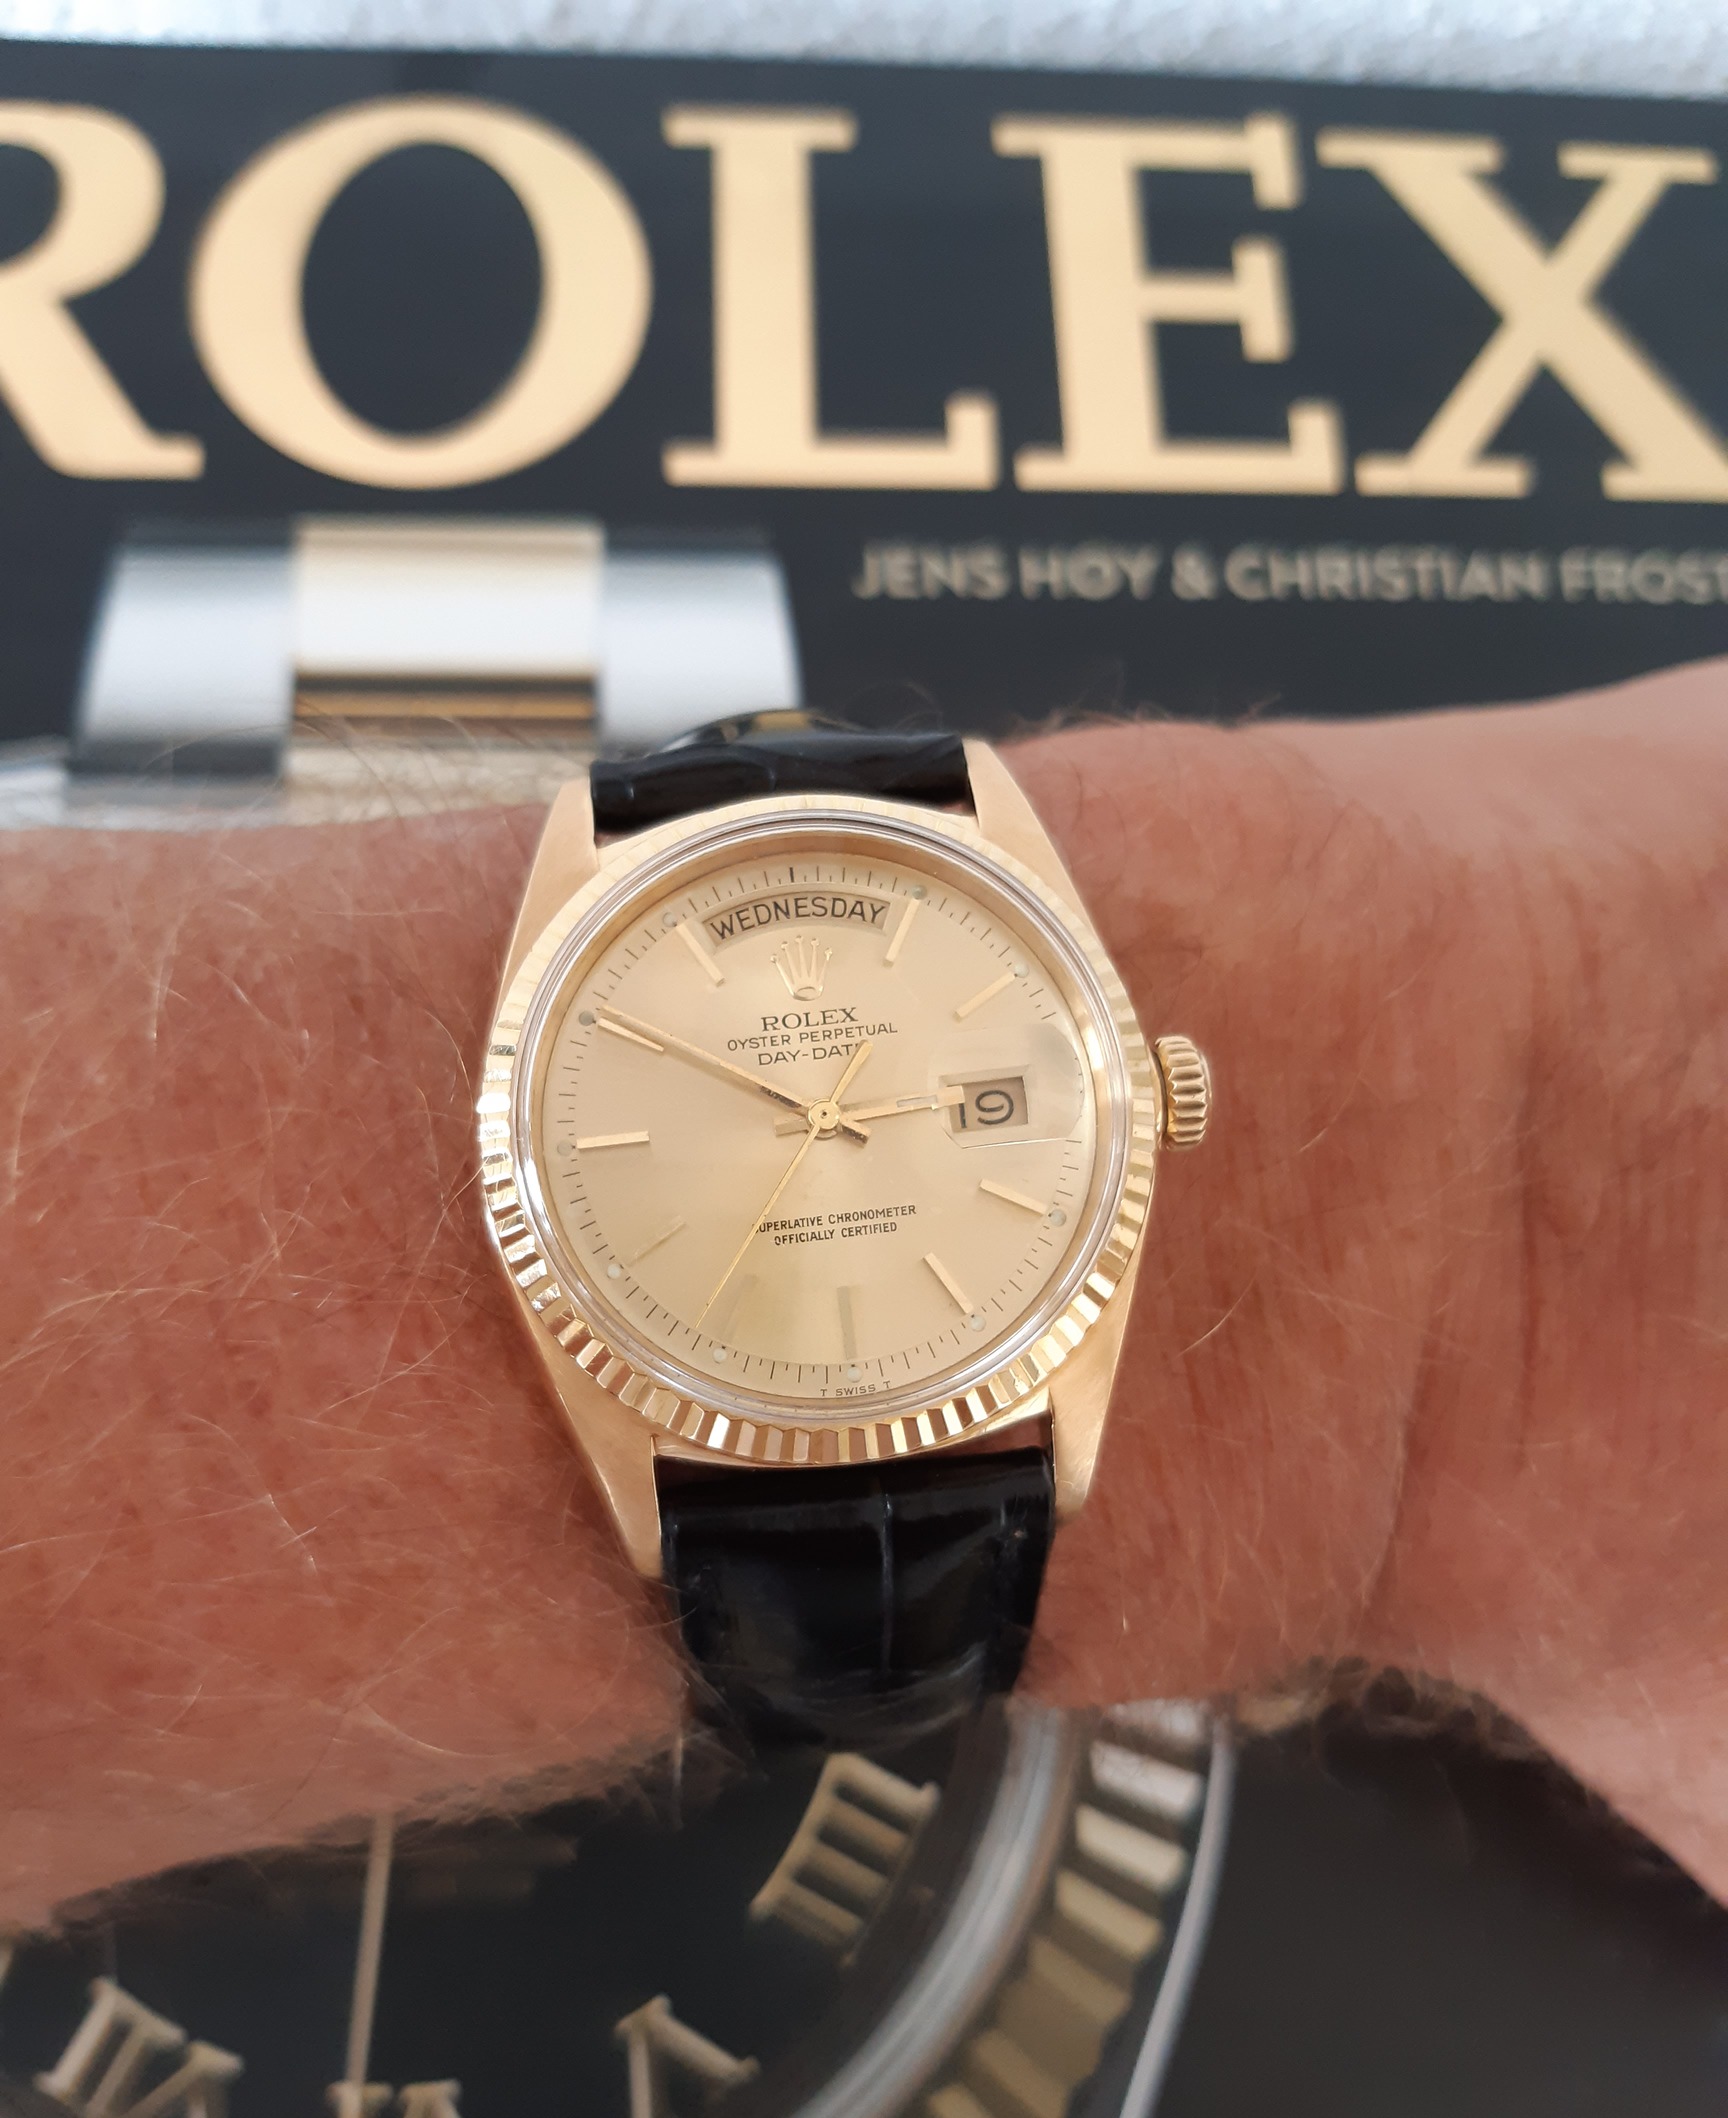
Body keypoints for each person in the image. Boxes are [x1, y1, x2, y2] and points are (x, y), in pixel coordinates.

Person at [2, 661, 1723, 1929]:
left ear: (1156, 1095)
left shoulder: (1094, 1099)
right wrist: (1457, 1293)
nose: (826, 1125)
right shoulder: (546, 1107)